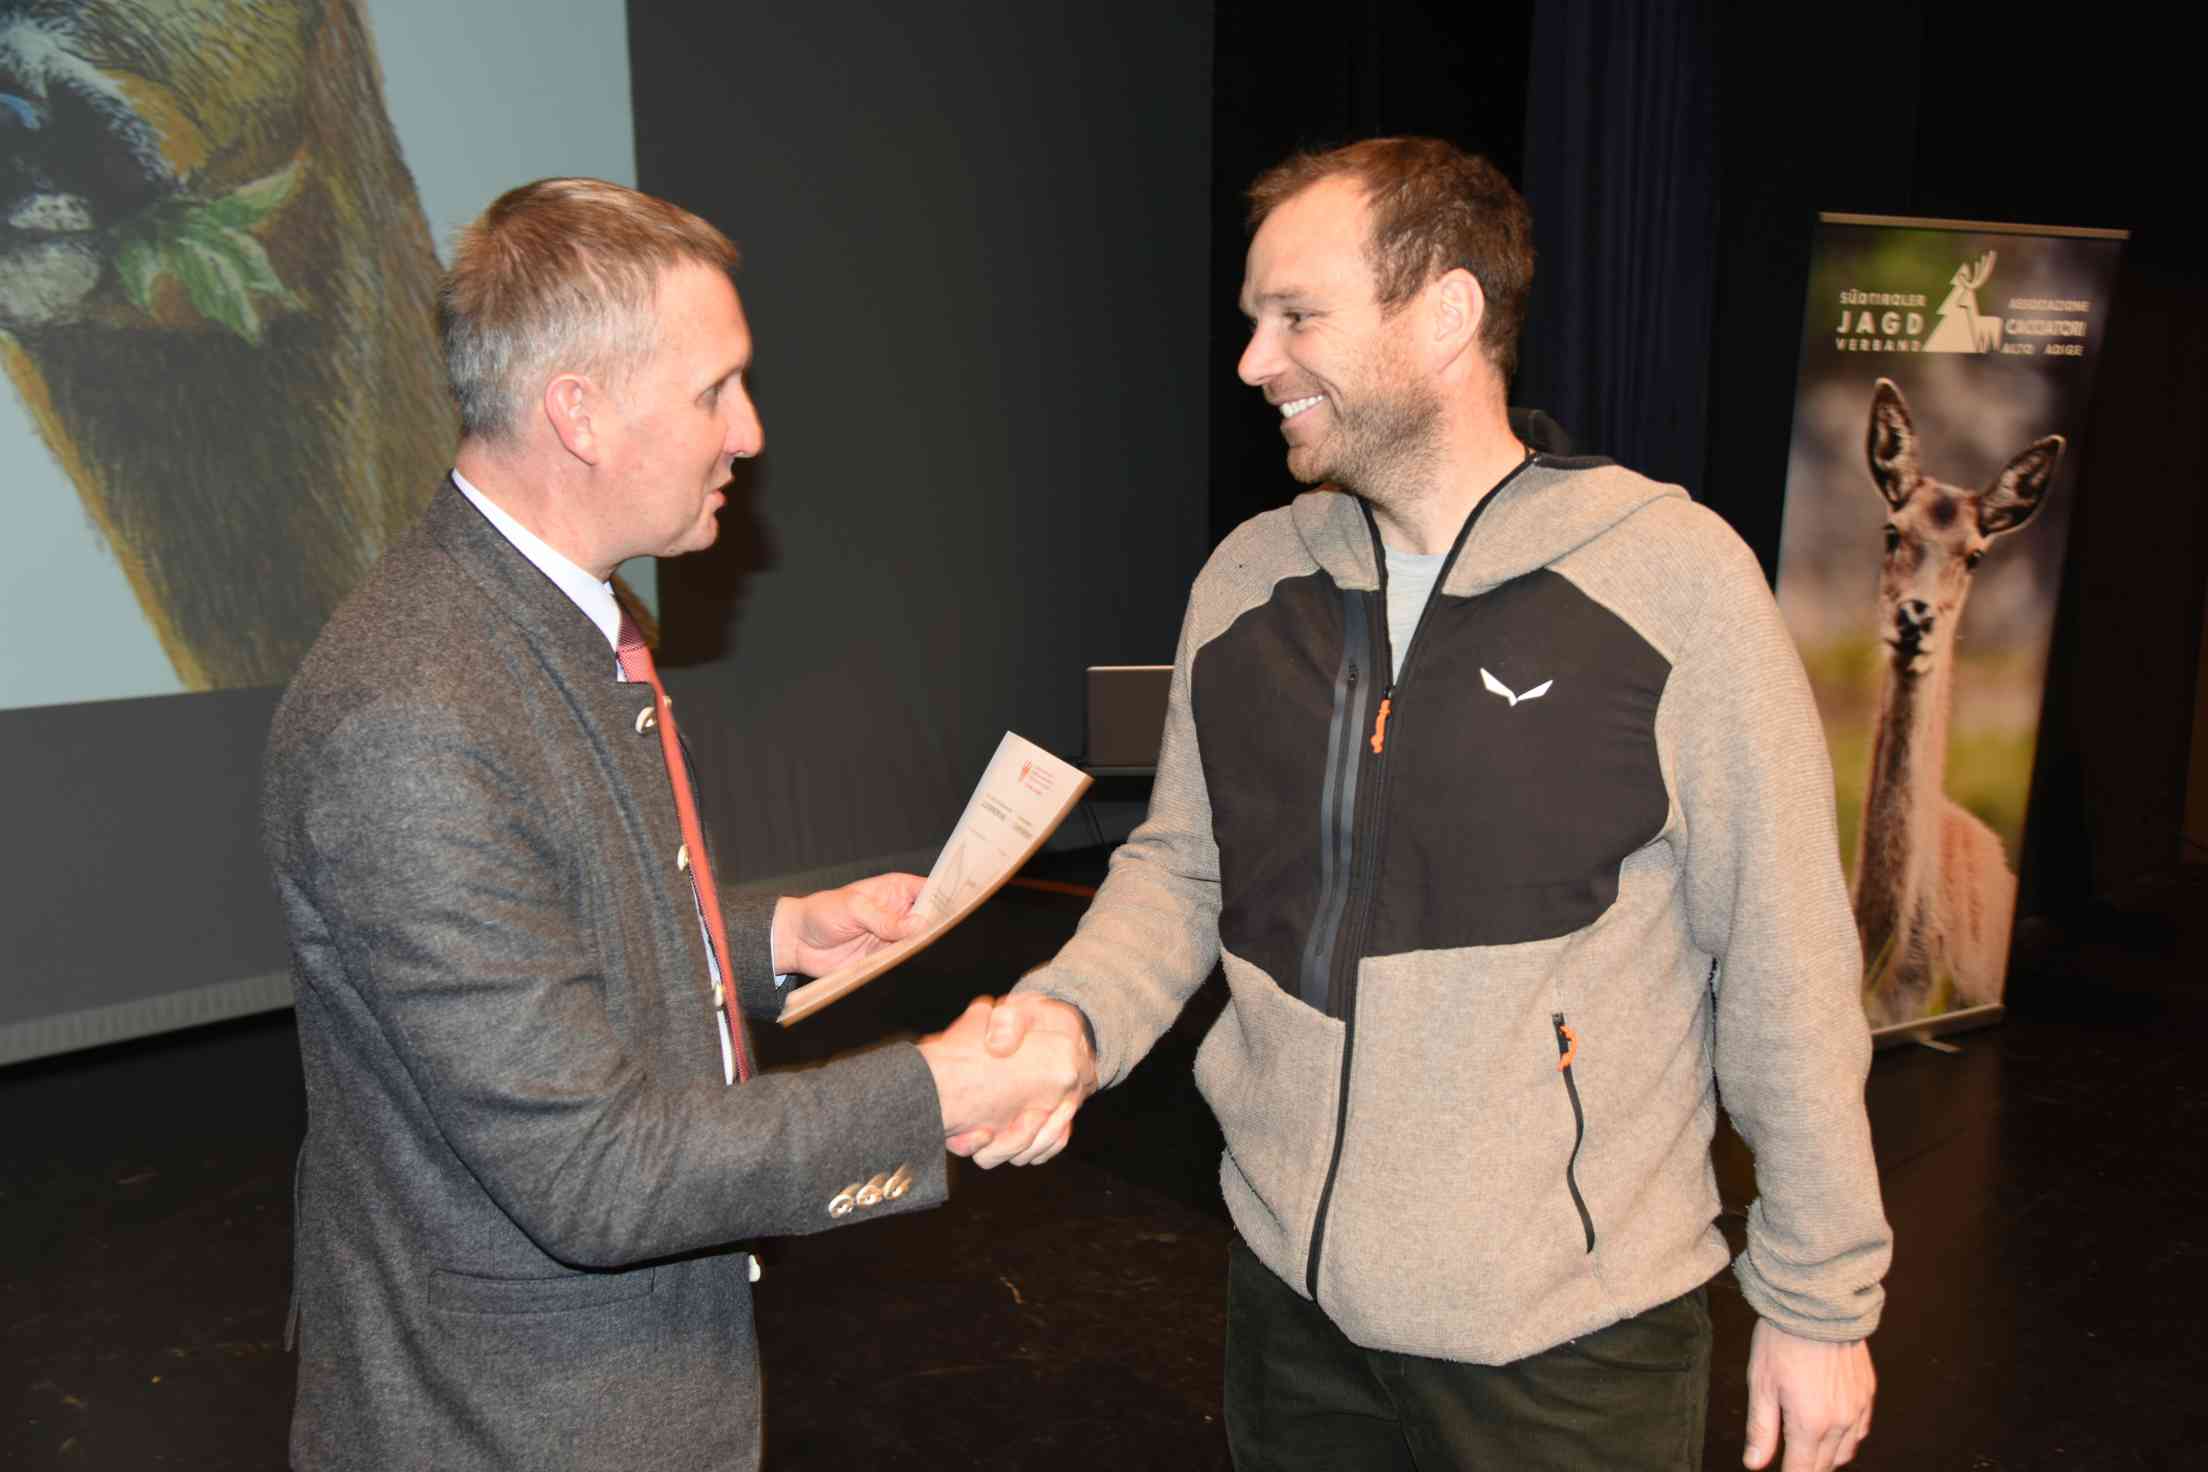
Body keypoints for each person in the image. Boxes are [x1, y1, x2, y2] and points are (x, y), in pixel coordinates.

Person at [965, 138, 1892, 1471]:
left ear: (1447, 313)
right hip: (1289, 1308)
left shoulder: (1671, 579)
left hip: (1567, 1346)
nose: (1255, 362)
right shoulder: (1249, 581)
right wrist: (1071, 1017)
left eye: (1297, 317)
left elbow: (1784, 958)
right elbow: (1182, 867)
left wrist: (1816, 1300)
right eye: (1253, 321)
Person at [261, 177, 1082, 1471]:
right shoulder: (410, 718)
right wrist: (941, 1089)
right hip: (513, 1423)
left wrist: (771, 938)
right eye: (716, 391)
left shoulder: (557, 619)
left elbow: (555, 919)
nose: (748, 433)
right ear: (577, 412)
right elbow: (594, 1171)